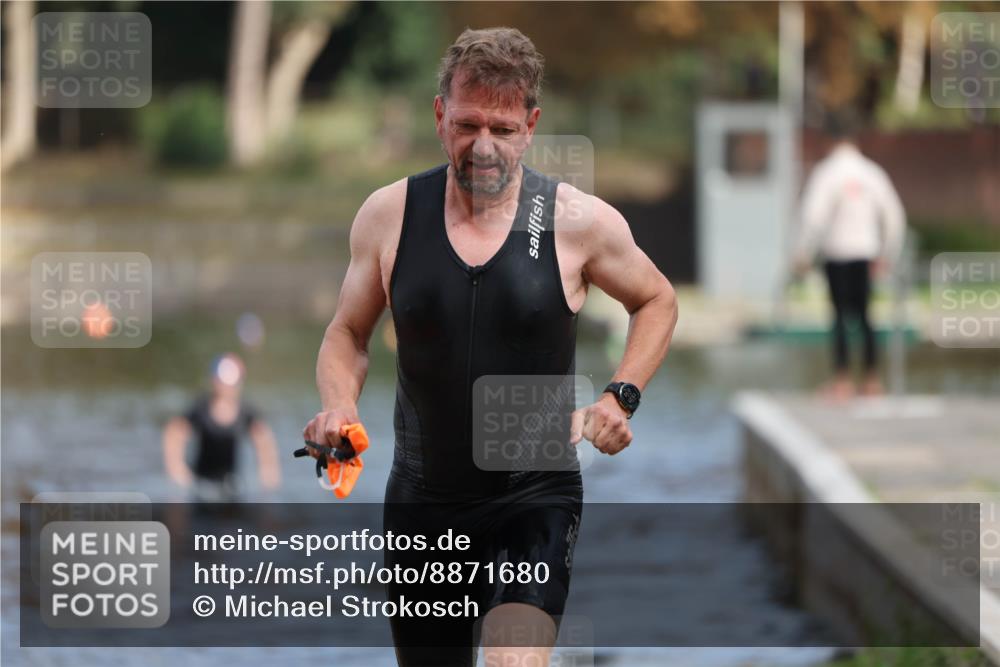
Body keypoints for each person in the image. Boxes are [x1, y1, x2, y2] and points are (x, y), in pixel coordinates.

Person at [302, 27, 678, 667]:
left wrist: (621, 396)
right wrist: (339, 406)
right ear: (439, 116)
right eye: (467, 125)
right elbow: (347, 333)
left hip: (533, 495)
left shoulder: (577, 222)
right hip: (424, 500)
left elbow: (657, 300)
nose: (483, 147)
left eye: (502, 130)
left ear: (530, 126)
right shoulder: (389, 215)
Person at [793, 121, 906, 400]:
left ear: (830, 142)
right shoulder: (872, 172)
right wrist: (887, 253)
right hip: (866, 253)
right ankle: (871, 380)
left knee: (840, 317)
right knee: (866, 317)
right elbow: (894, 216)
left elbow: (812, 217)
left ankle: (842, 380)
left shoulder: (826, 172)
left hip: (838, 253)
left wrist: (803, 253)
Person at [163, 352, 281, 501]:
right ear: (214, 381)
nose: (227, 388)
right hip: (201, 484)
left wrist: (268, 472)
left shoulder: (245, 411)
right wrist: (177, 469)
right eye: (223, 382)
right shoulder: (201, 408)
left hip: (231, 483)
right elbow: (174, 432)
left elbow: (263, 439)